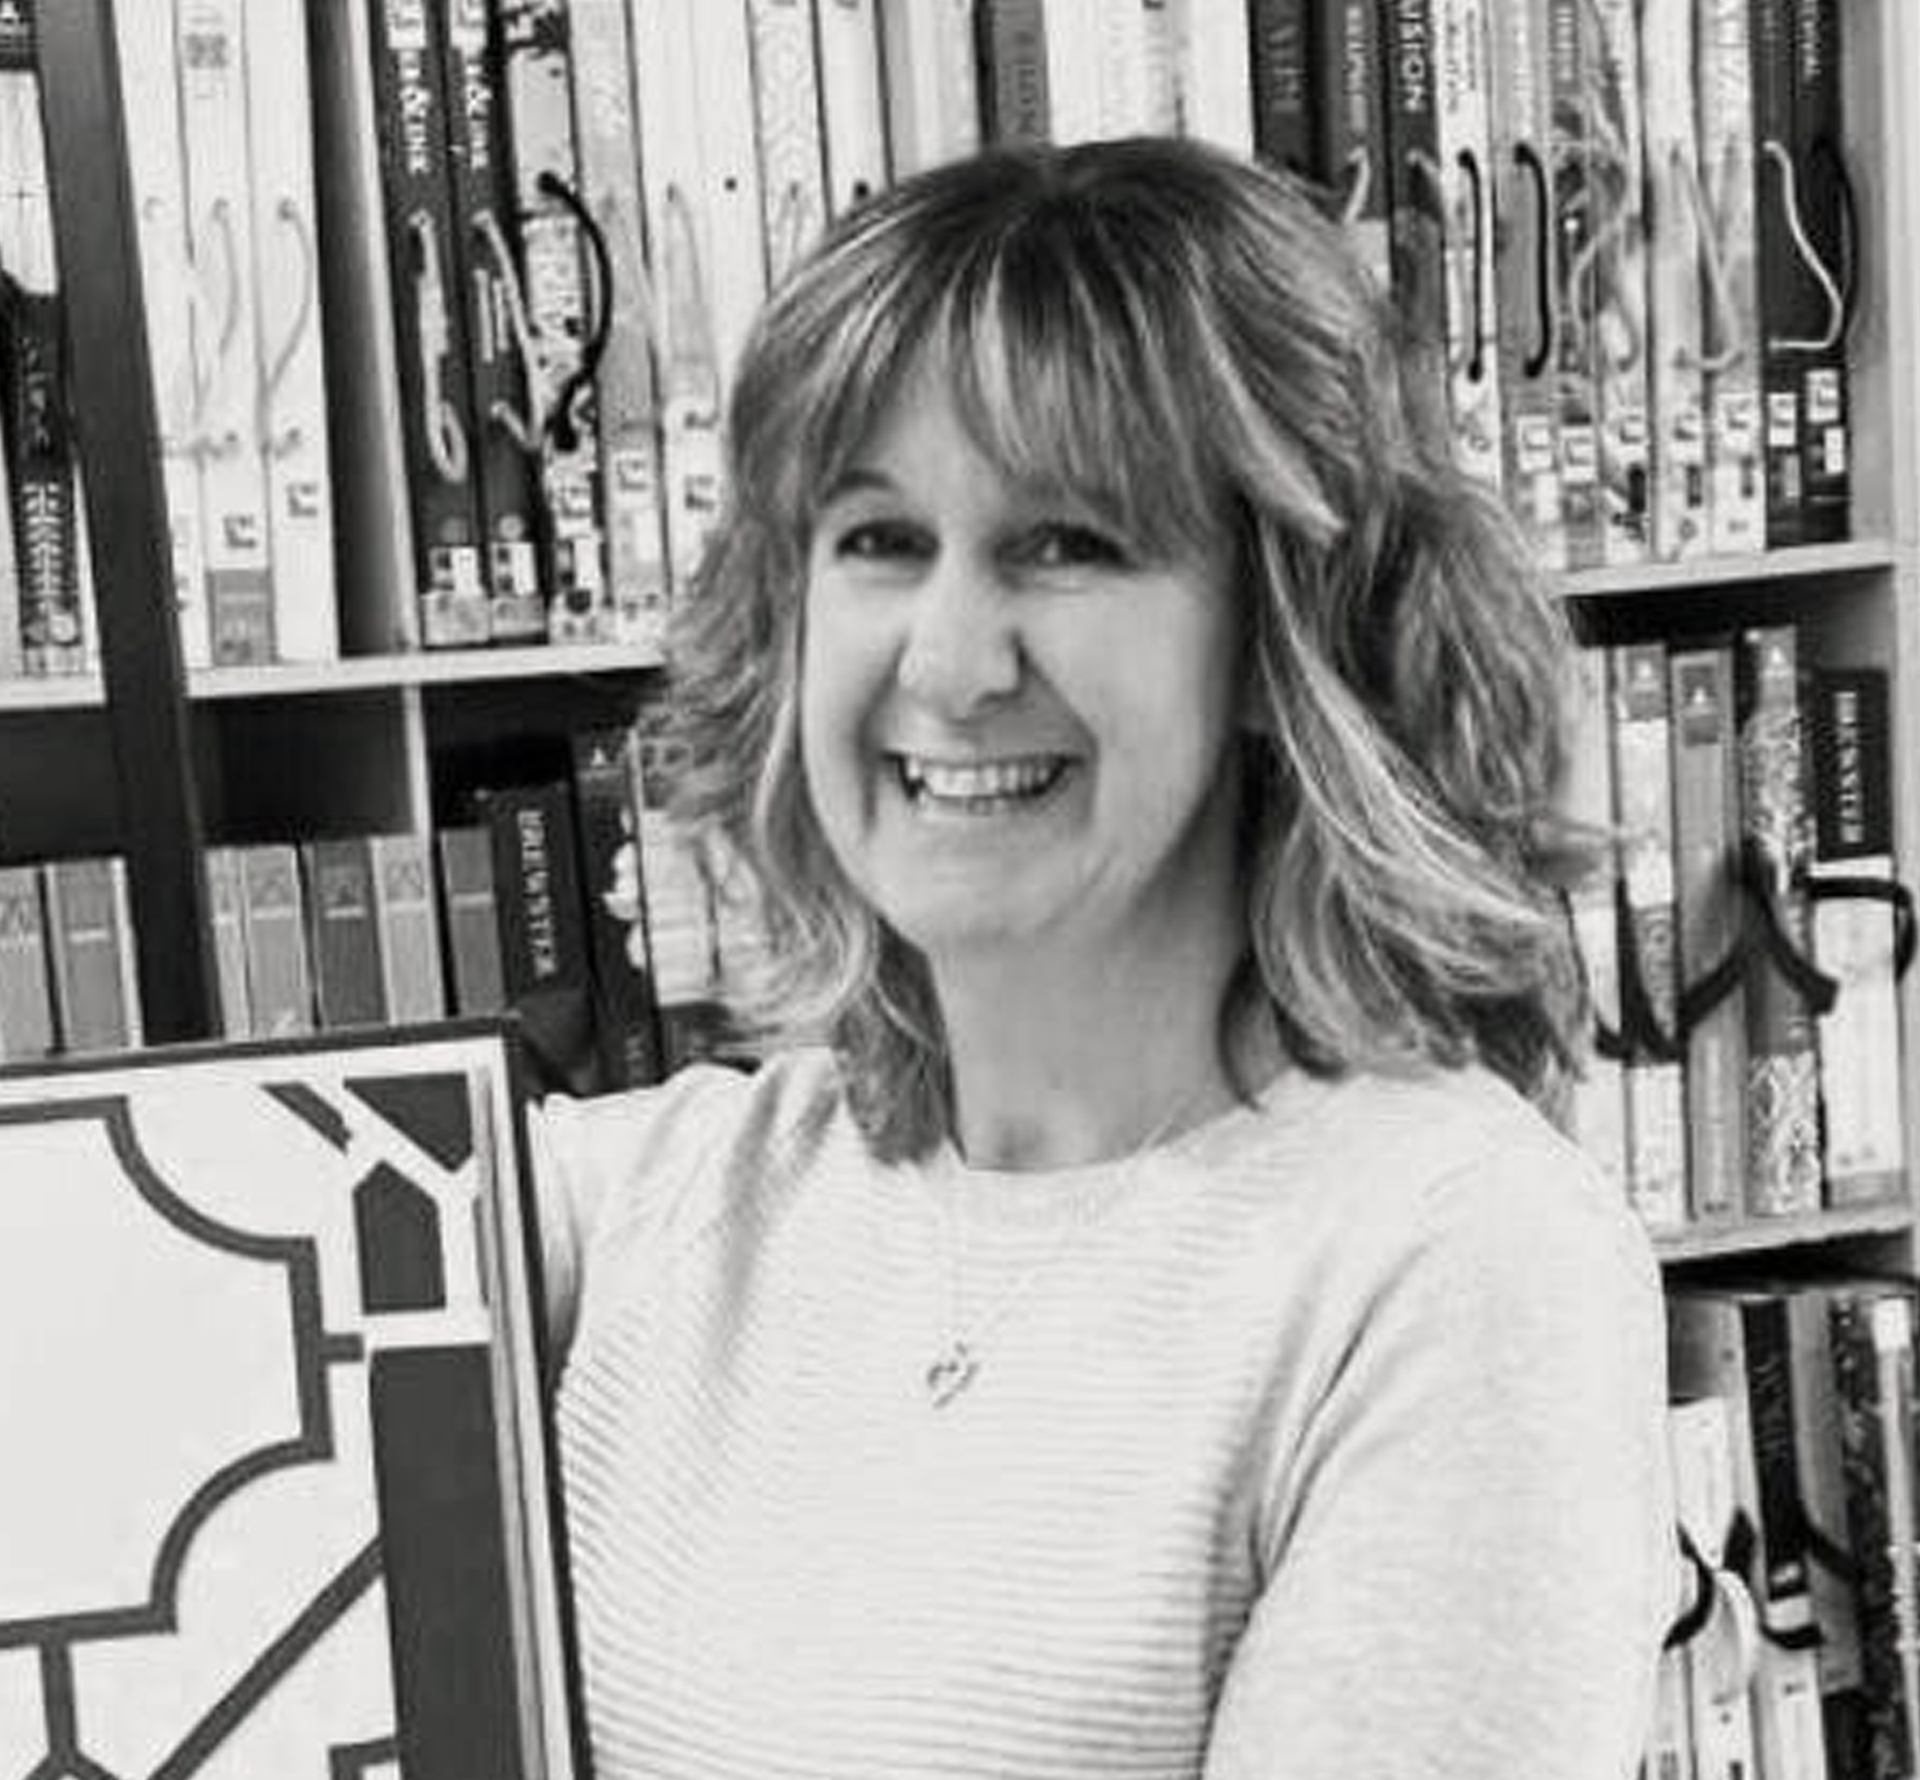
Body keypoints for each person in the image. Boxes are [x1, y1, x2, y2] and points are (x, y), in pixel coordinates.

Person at [533, 137, 1676, 1780]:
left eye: (1066, 542)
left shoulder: (1454, 1258)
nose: (950, 658)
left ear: (1281, 638)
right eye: (877, 540)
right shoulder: (658, 1196)